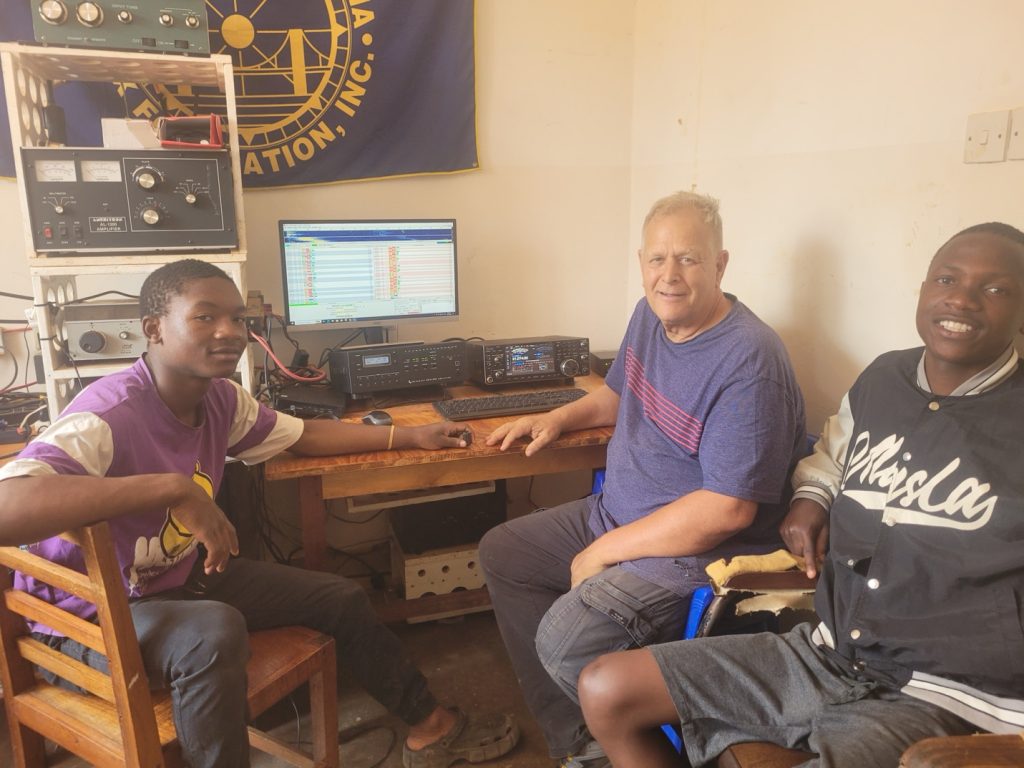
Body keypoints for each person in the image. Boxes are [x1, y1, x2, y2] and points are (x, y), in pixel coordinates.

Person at [0, 259, 518, 768]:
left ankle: (431, 729)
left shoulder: (221, 399)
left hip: (171, 582)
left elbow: (303, 434)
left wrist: (408, 435)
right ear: (153, 329)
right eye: (205, 317)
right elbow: (8, 508)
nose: (229, 332)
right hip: (82, 620)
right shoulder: (106, 416)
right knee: (212, 633)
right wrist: (171, 488)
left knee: (339, 596)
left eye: (238, 319)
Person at [577, 222, 1024, 768]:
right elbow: (831, 455)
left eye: (995, 289)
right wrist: (811, 498)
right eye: (947, 278)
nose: (961, 299)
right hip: (830, 652)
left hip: (945, 691)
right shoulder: (885, 378)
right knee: (606, 687)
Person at [478, 191, 807, 767]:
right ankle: (580, 741)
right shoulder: (650, 316)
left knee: (564, 639)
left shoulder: (749, 360)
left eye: (688, 258)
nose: (669, 275)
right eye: (657, 260)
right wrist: (553, 418)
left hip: (694, 552)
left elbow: (727, 511)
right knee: (504, 552)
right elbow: (613, 395)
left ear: (720, 264)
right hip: (620, 515)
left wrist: (602, 552)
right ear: (641, 262)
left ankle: (628, 735)